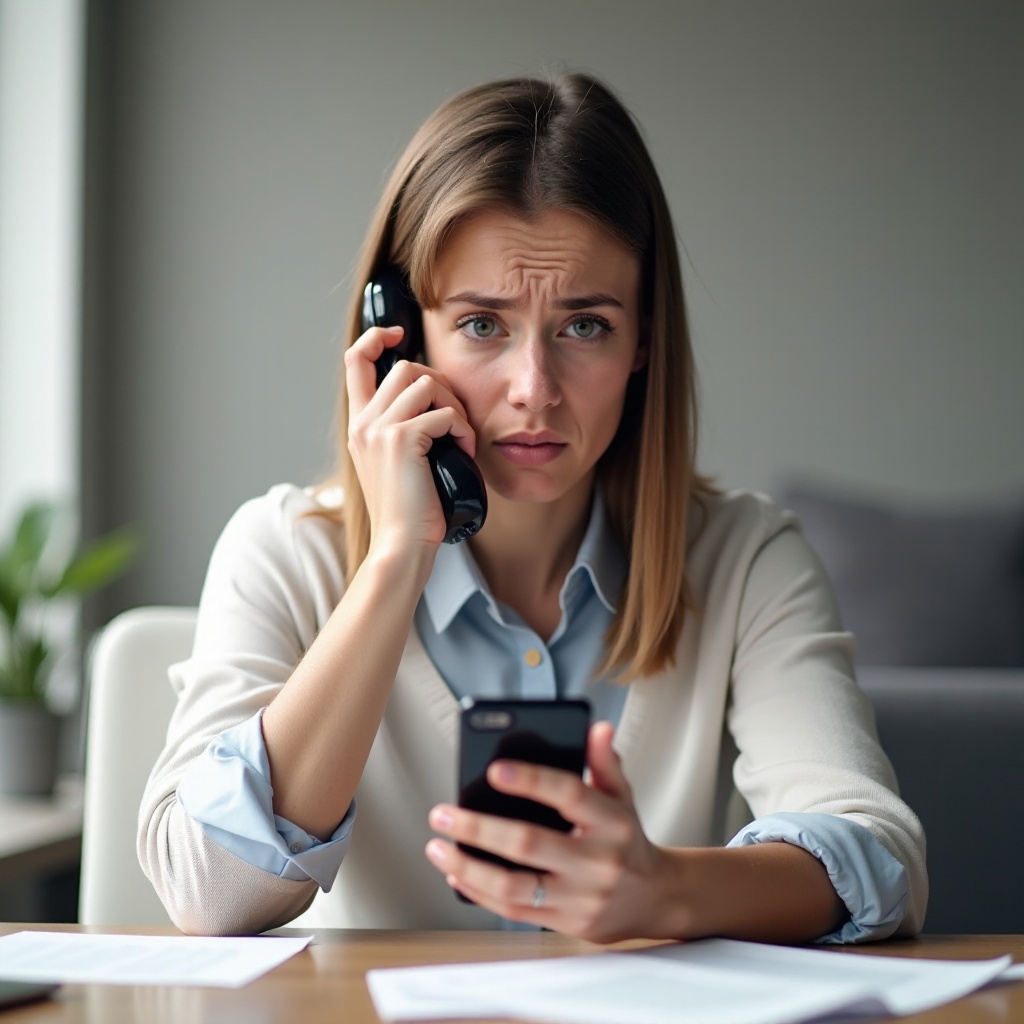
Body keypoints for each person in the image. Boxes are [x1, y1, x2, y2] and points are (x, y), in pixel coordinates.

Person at [138, 72, 927, 942]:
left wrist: (665, 890)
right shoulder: (285, 551)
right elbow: (209, 895)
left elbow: (878, 860)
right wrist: (396, 557)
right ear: (399, 337)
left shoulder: (746, 561)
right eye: (483, 324)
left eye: (585, 325)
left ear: (643, 339)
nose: (534, 389)